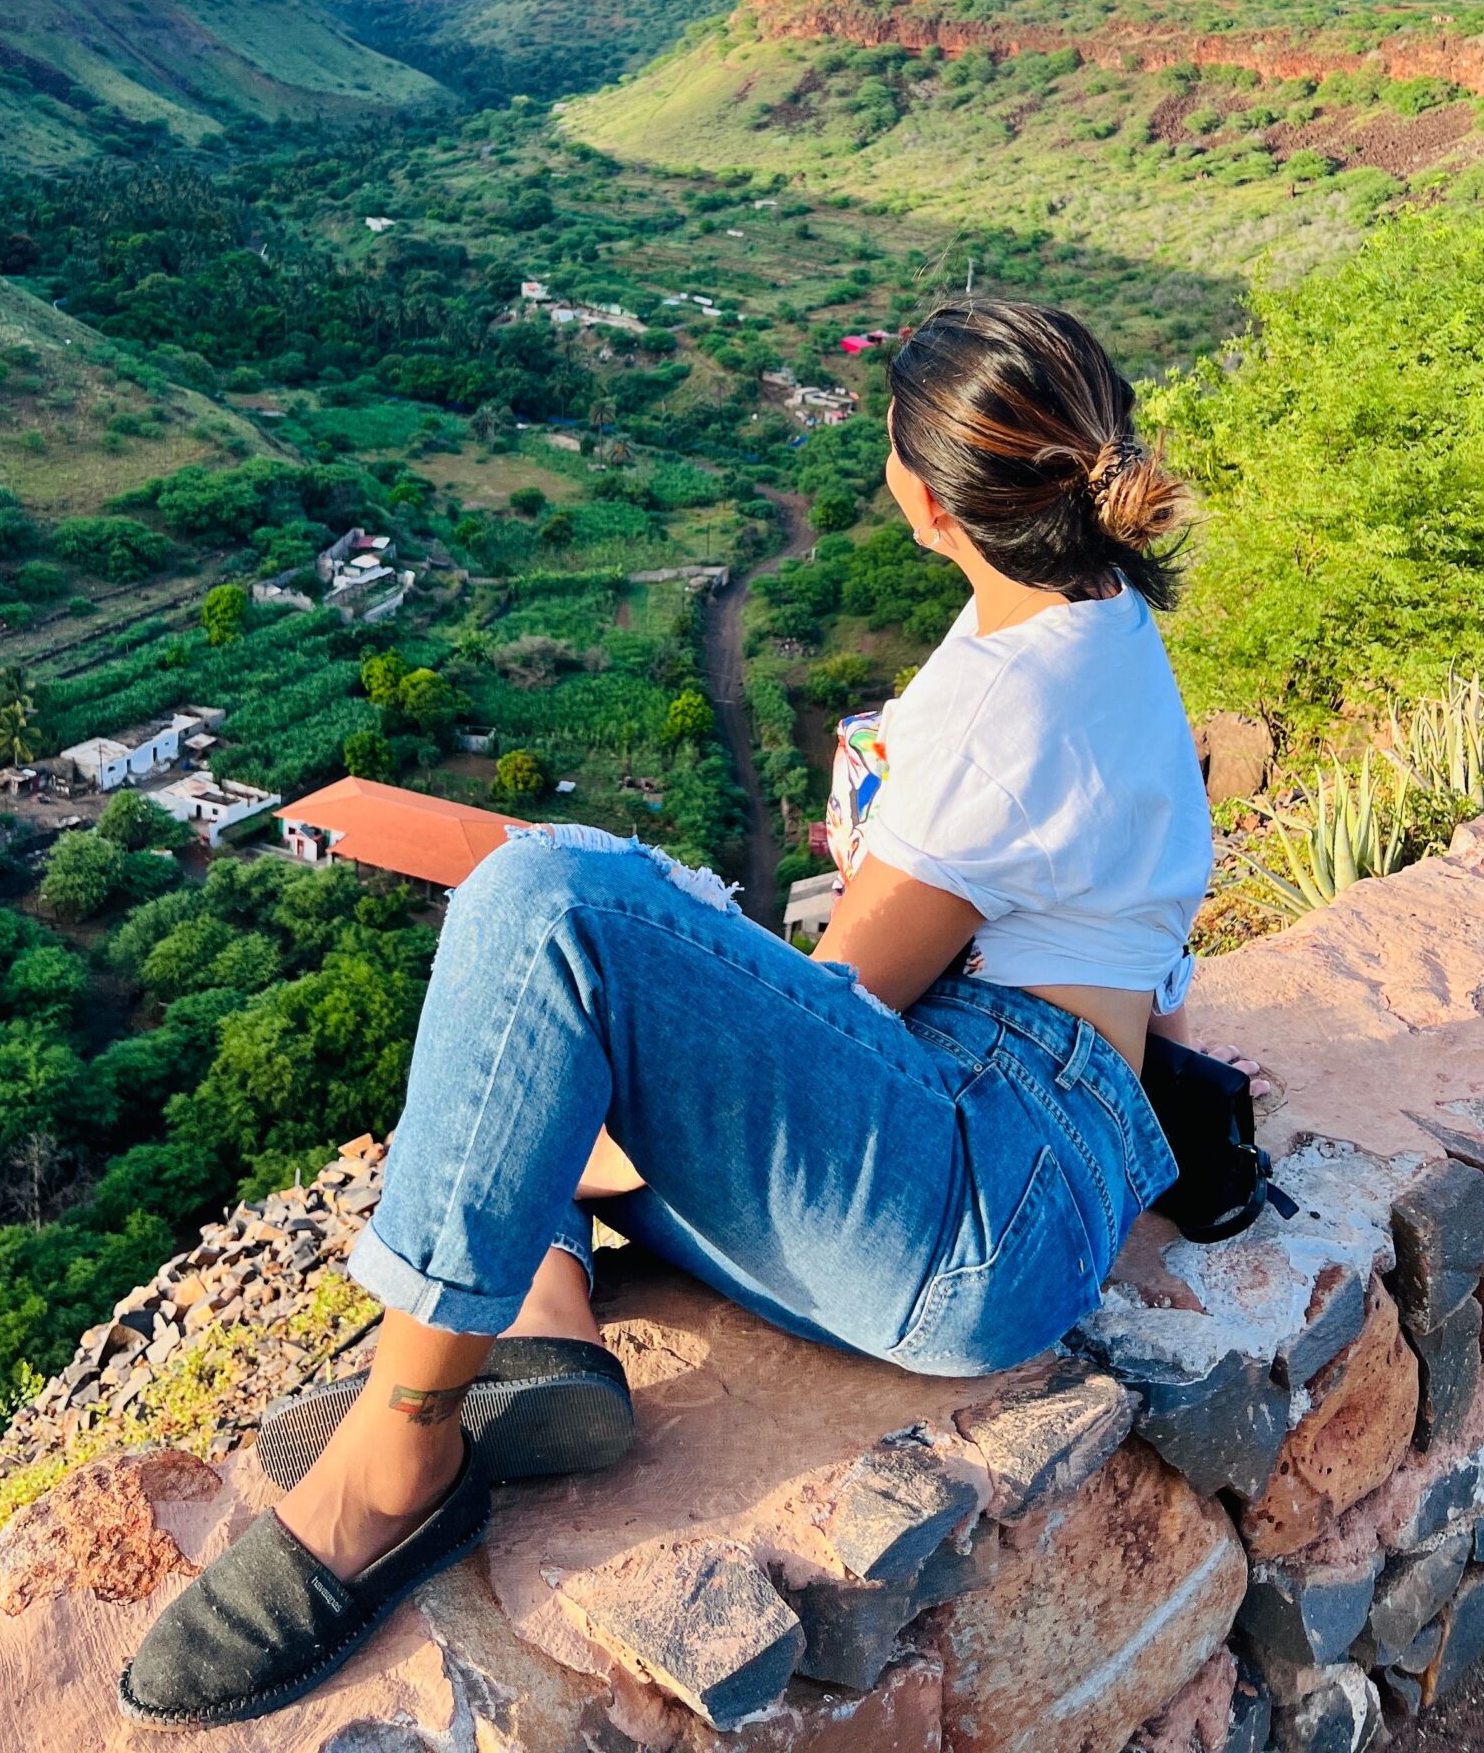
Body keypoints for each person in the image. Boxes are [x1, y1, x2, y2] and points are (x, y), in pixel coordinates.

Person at [120, 296, 1214, 1729]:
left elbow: (849, 998)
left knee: (544, 902)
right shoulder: (1102, 626)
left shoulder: (1007, 698)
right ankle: (547, 1322)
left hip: (980, 1199)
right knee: (553, 1043)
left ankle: (403, 1461)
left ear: (928, 499)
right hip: (1038, 1169)